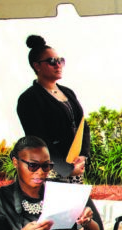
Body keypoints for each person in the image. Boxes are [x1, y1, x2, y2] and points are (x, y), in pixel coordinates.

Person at [17, 35, 89, 184]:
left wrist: (83, 156)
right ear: (37, 66)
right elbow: (38, 140)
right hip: (51, 173)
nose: (58, 65)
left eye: (60, 60)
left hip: (75, 168)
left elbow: (83, 126)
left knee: (80, 208)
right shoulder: (29, 99)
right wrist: (66, 169)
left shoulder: (68, 92)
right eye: (51, 61)